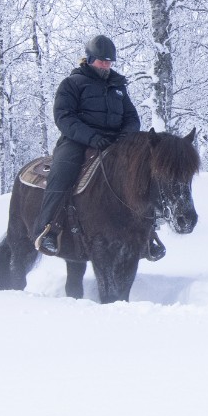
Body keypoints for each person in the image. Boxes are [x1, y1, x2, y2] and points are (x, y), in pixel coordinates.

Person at [34, 35, 141, 257]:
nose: (106, 65)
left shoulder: (118, 86)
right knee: (63, 171)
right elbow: (64, 117)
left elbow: (132, 117)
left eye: (109, 61)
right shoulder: (72, 84)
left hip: (115, 142)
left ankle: (147, 232)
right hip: (78, 141)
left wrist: (125, 137)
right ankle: (48, 230)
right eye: (102, 61)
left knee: (142, 170)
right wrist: (91, 138)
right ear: (89, 59)